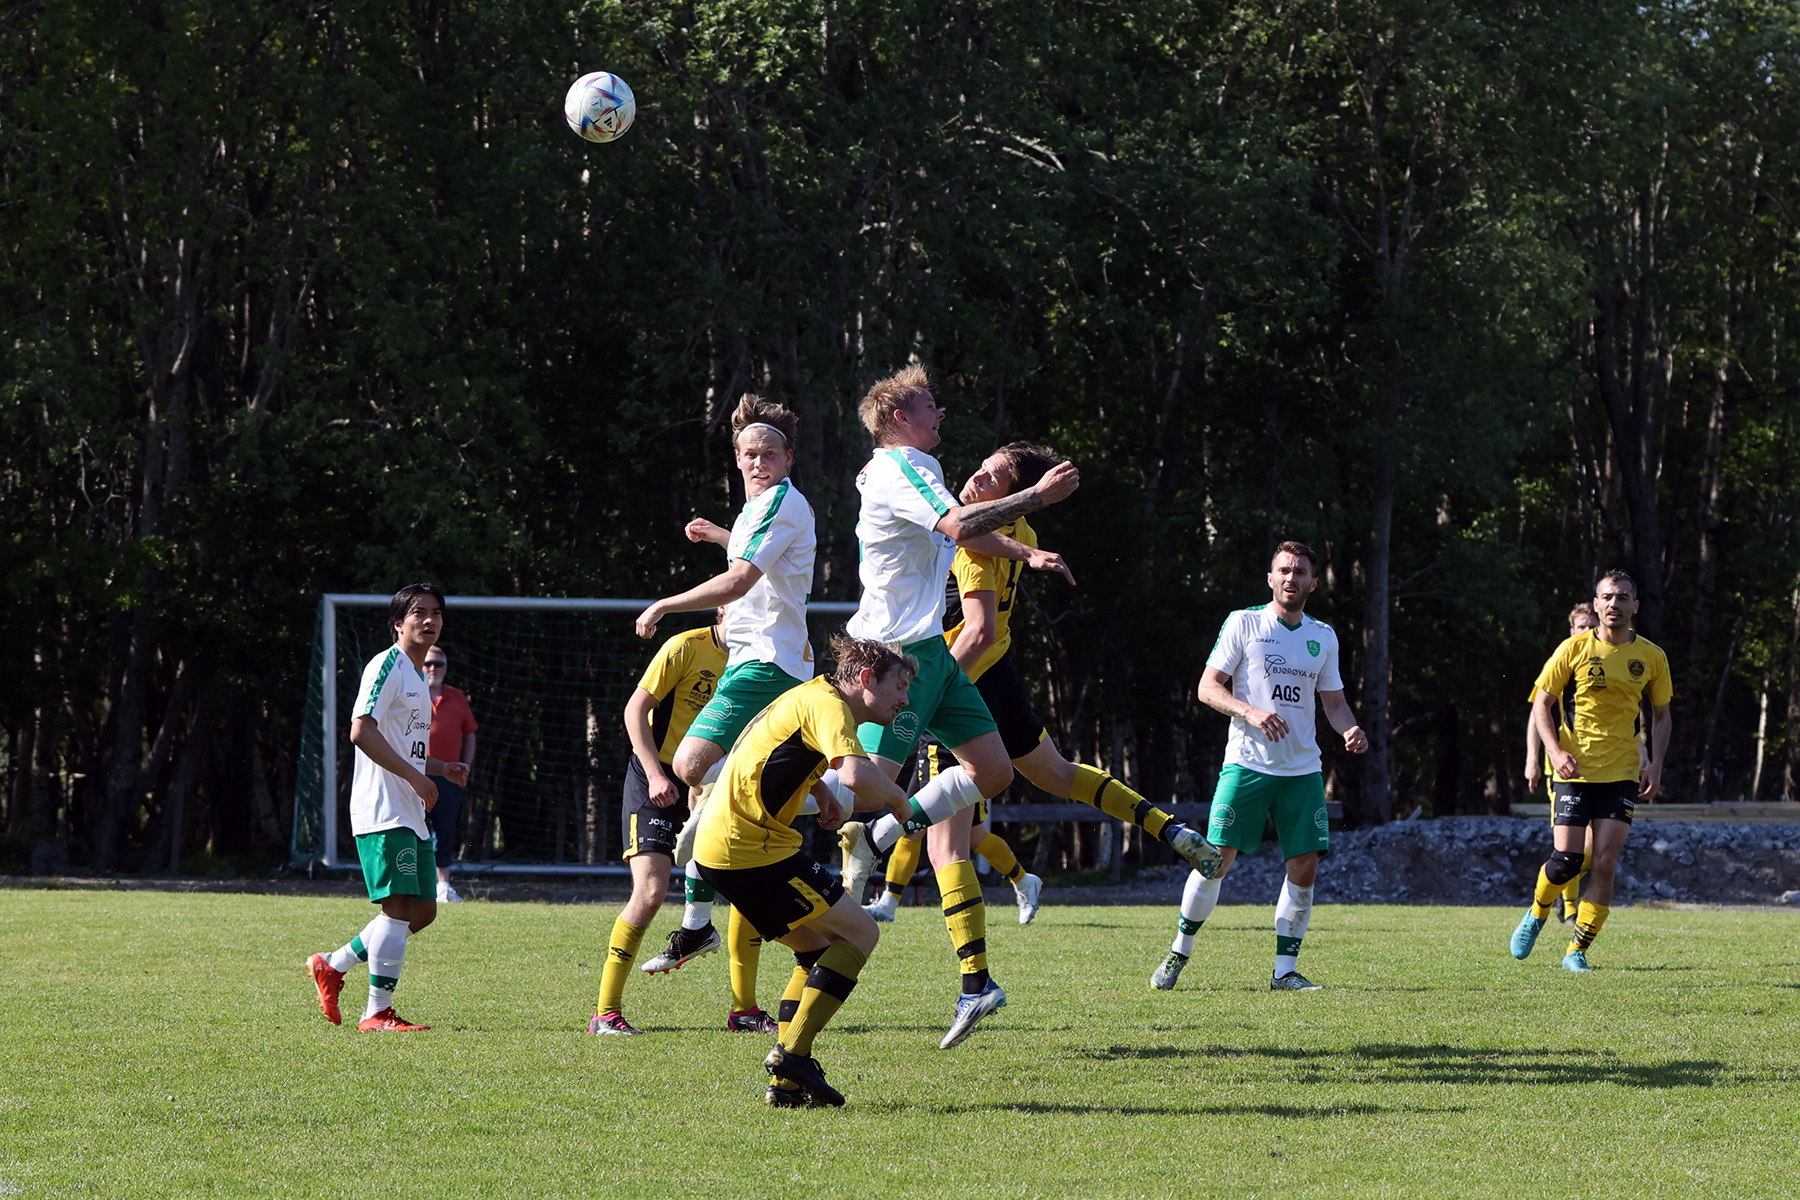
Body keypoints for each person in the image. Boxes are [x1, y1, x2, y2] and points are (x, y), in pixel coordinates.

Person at [828, 365, 1139, 1051]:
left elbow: (961, 535)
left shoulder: (906, 468)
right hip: (891, 655)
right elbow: (960, 523)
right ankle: (766, 825)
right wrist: (1036, 497)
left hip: (931, 655)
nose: (941, 413)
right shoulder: (904, 467)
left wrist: (1028, 550)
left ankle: (971, 977)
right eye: (929, 405)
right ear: (899, 417)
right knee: (858, 788)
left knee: (994, 771)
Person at [862, 442, 1222, 927]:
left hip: (964, 679)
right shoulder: (1022, 530)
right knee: (1058, 775)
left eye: (993, 479)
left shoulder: (971, 545)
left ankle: (965, 959)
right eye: (982, 468)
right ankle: (1170, 829)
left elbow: (978, 630)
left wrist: (932, 692)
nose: (976, 478)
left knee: (946, 847)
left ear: (1014, 495)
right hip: (999, 671)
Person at [692, 634, 918, 1107]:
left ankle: (787, 1086)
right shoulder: (830, 705)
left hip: (723, 849)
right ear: (865, 678)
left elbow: (775, 749)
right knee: (861, 933)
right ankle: (791, 1056)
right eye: (899, 686)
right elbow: (857, 774)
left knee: (816, 950)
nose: (905, 699)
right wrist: (900, 799)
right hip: (751, 849)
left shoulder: (812, 696)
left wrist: (820, 790)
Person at [634, 395, 817, 974]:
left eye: (769, 454)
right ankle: (696, 926)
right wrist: (722, 534)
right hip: (761, 659)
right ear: (737, 459)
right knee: (710, 798)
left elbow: (740, 582)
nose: (759, 462)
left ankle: (840, 798)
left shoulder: (781, 501)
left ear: (788, 458)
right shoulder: (759, 509)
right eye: (749, 454)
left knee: (691, 768)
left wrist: (664, 603)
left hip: (766, 662)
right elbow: (762, 559)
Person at [1150, 542, 1367, 993]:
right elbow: (1208, 688)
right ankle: (1178, 952)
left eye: (1300, 572)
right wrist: (1250, 712)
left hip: (1302, 770)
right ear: (1270, 578)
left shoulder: (1323, 636)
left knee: (1305, 867)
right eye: (1284, 570)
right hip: (1246, 765)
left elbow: (1334, 703)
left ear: (1312, 583)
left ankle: (1285, 971)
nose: (1291, 578)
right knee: (1214, 861)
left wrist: (1350, 729)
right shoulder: (1244, 622)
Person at [592, 608, 776, 1035]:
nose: (752, 609)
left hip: (715, 783)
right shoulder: (685, 647)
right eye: (741, 600)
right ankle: (606, 1014)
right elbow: (634, 710)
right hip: (655, 776)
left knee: (748, 886)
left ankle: (744, 1011)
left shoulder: (761, 660)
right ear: (722, 606)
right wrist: (656, 775)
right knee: (651, 891)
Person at [306, 584, 470, 1032]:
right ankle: (377, 1012)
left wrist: (439, 768)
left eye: (436, 612)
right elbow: (361, 731)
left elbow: (405, 747)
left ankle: (333, 964)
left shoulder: (418, 676)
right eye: (418, 612)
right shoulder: (387, 665)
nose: (429, 620)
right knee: (397, 907)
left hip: (410, 810)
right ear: (398, 623)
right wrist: (416, 778)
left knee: (423, 911)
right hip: (384, 808)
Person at [1510, 570, 1672, 972]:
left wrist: (1655, 764)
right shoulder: (1572, 649)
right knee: (1566, 860)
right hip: (1574, 772)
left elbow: (1662, 715)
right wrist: (1553, 752)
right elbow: (1541, 705)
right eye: (1608, 597)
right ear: (1596, 604)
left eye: (1623, 597)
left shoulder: (1652, 656)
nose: (1615, 604)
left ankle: (1576, 950)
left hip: (1622, 774)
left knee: (1603, 863)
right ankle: (1537, 912)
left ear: (1636, 606)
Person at [1523, 603, 1600, 924]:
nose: (1586, 632)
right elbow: (1537, 711)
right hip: (1562, 767)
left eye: (1591, 626)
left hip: (1604, 767)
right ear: (1572, 631)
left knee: (1593, 851)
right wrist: (1532, 758)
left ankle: (1562, 895)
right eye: (1581, 626)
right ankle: (1568, 907)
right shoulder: (1564, 657)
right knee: (1571, 848)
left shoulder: (1609, 661)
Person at [422, 646, 479, 904]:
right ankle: (414, 883)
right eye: (428, 663)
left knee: (444, 831)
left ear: (446, 668)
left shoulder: (457, 698)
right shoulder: (410, 694)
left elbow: (470, 734)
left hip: (449, 778)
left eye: (438, 664)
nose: (433, 668)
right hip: (414, 775)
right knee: (412, 829)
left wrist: (465, 767)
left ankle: (442, 886)